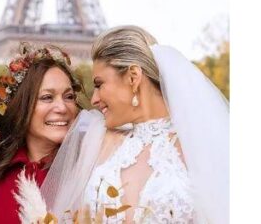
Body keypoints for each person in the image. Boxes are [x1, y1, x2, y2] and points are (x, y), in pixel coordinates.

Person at [38, 25, 230, 223]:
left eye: (99, 84)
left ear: (133, 77)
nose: (94, 99)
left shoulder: (202, 145)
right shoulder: (98, 139)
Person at [0, 43, 84, 224]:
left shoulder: (85, 171)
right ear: (21, 106)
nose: (62, 107)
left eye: (69, 97)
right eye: (47, 97)